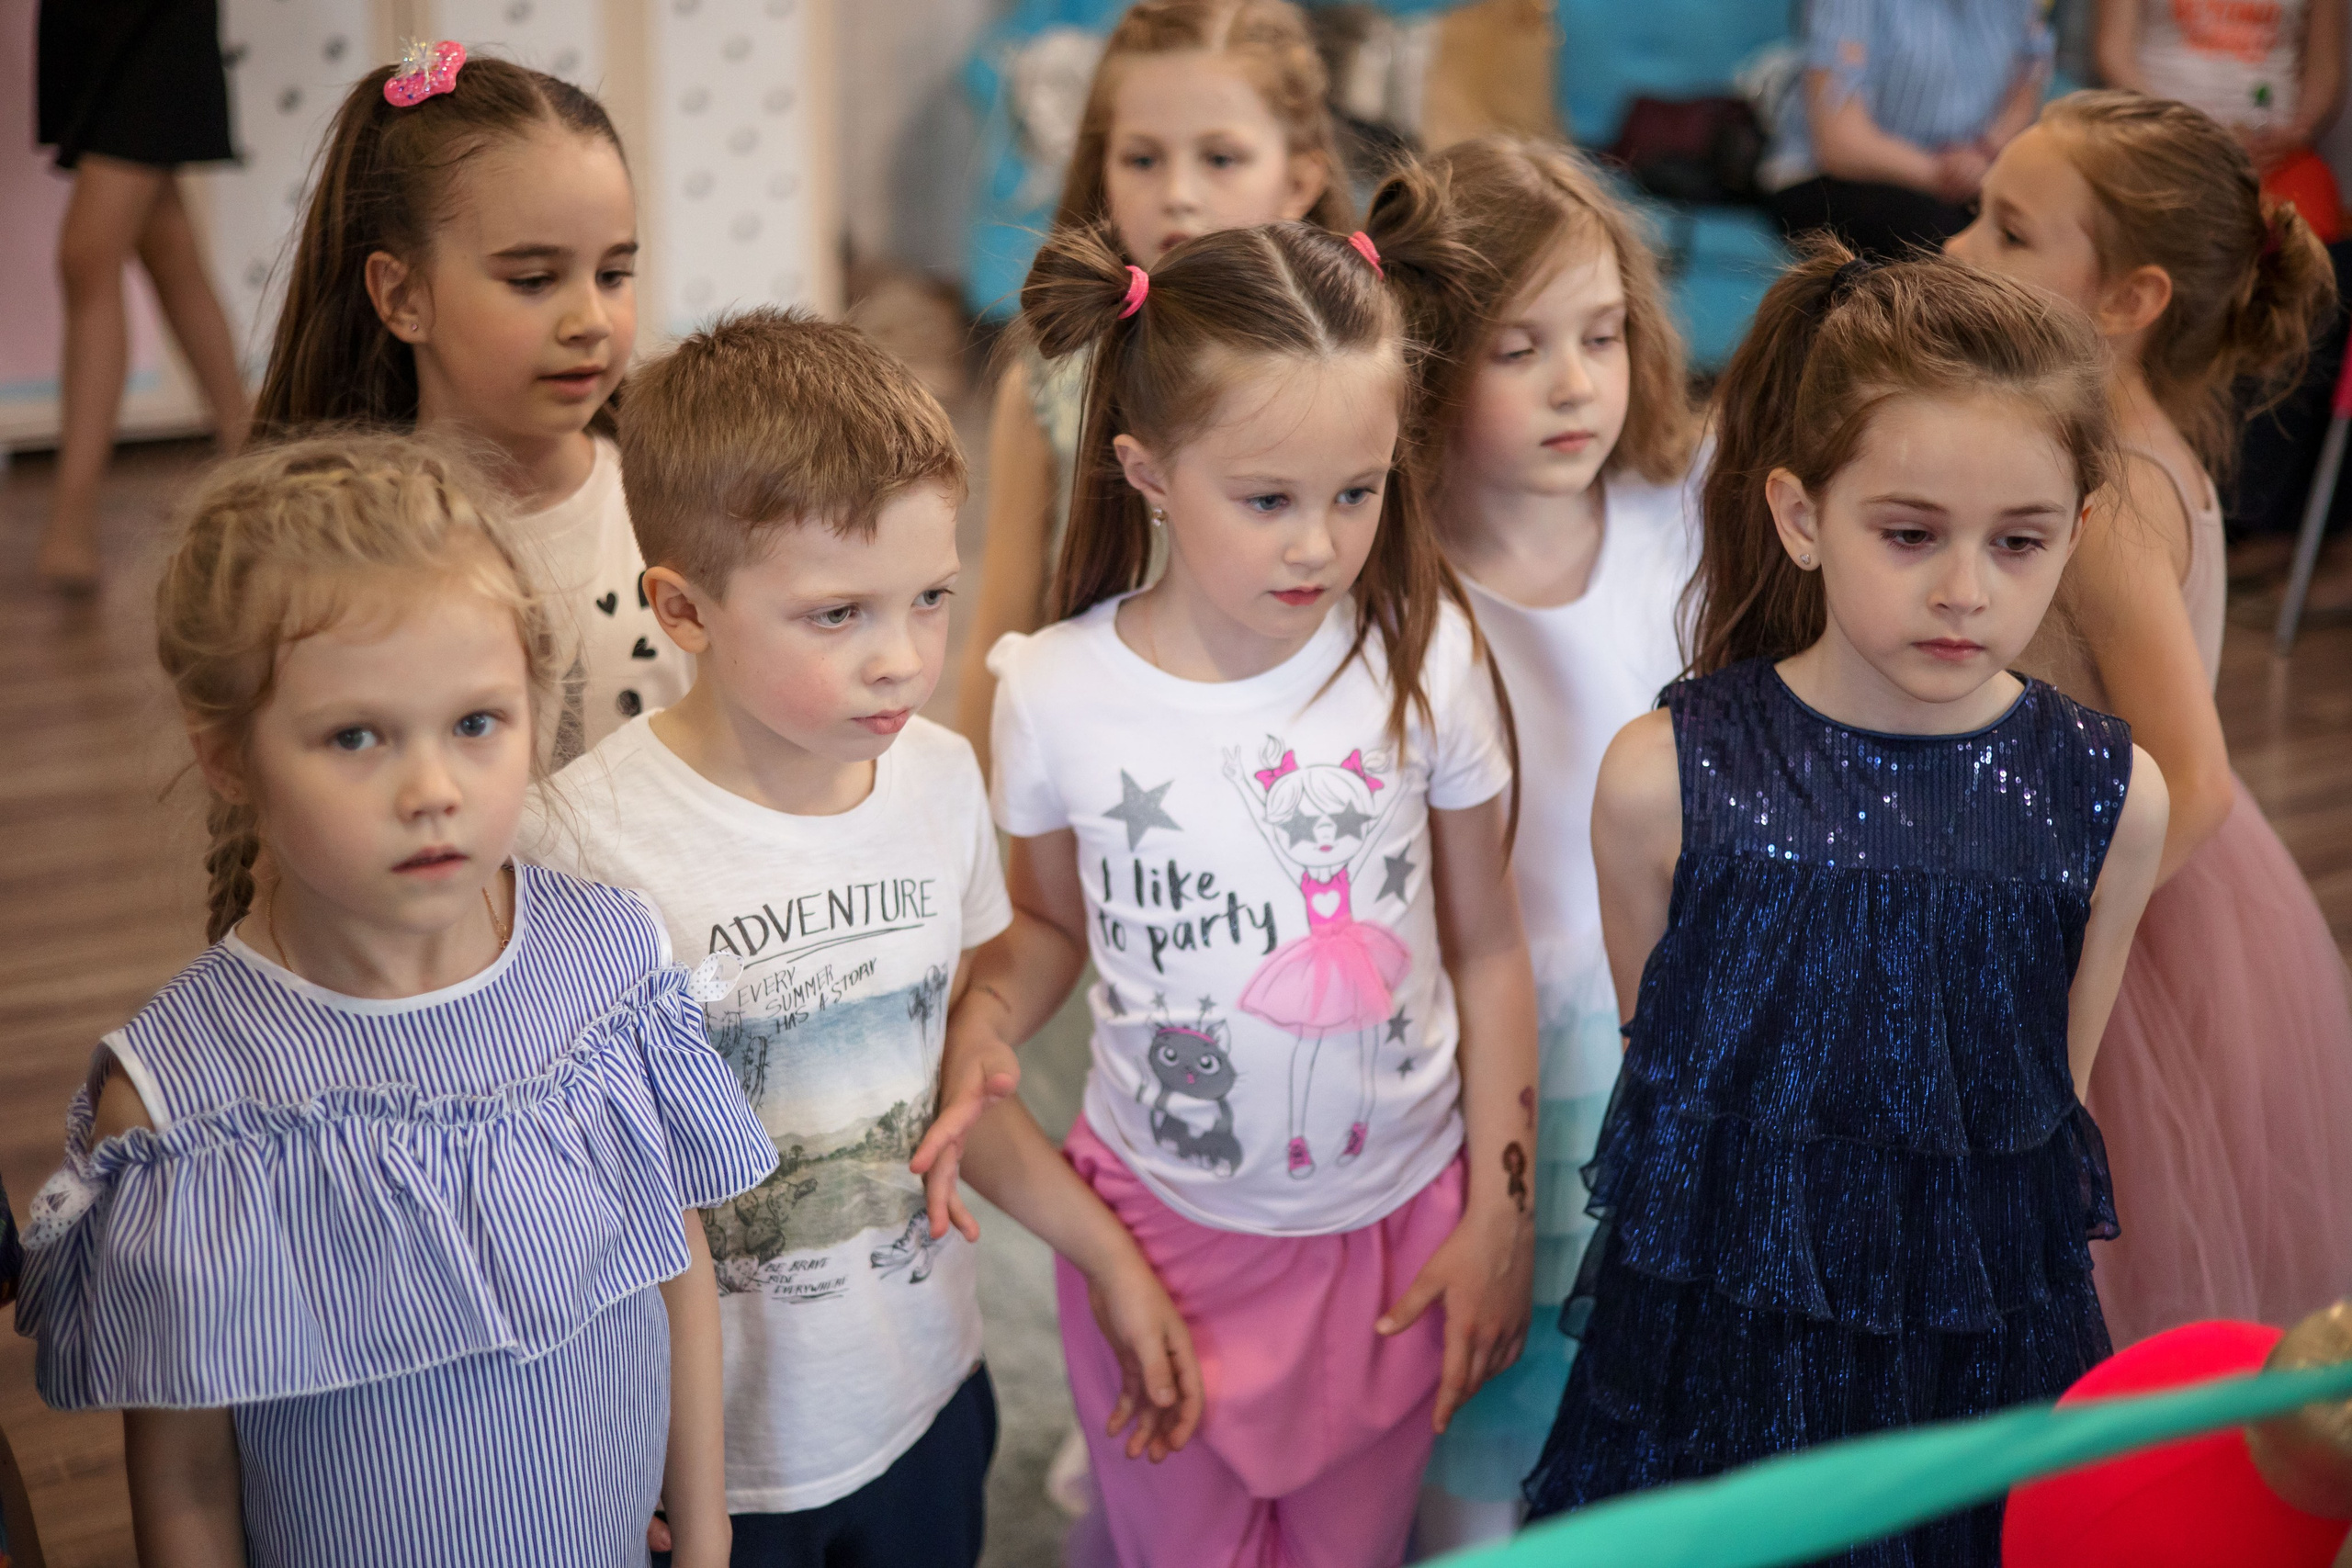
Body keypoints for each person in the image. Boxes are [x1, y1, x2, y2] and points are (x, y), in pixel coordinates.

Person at [13, 434, 777, 1568]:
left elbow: (678, 1269)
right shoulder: (183, 1109)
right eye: (357, 737)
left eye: (475, 724)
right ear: (227, 754)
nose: (432, 791)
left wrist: (707, 1542)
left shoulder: (612, 968)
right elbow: (184, 1472)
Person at [916, 191, 1541, 1568]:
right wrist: (981, 1013)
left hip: (1395, 1231)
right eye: (1266, 499)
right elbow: (1048, 926)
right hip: (1168, 1238)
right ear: (1145, 470)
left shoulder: (1425, 661)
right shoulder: (1058, 693)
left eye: (1356, 491)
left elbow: (1490, 947)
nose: (1317, 545)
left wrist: (1503, 1207)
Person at [1522, 243, 2171, 1562]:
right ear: (1803, 514)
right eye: (1912, 532)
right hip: (1725, 1338)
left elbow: (2051, 1100)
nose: (1966, 588)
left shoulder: (2114, 798)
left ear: (2078, 534)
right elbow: (1677, 1075)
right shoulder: (1666, 782)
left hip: (1967, 1351)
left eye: (2020, 540)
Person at [526, 309, 1202, 1568]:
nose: (902, 659)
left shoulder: (940, 780)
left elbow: (940, 1091)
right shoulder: (580, 843)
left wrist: (1105, 1251)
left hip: (928, 1401)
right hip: (713, 1466)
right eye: (836, 614)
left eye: (930, 597)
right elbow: (566, 1197)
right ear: (683, 606)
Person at [1948, 89, 2352, 1348]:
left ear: (2132, 300)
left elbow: (2198, 773)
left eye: (2011, 232)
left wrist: (2059, 948)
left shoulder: (2109, 490)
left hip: (2116, 919)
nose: (1962, 251)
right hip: (2087, 862)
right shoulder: (2106, 445)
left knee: (2091, 1271)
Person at [1380, 135, 1702, 1553]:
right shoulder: (1390, 568)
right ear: (1429, 369)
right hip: (1484, 1036)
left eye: (1602, 334)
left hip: (1673, 1004)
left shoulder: (1675, 516)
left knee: (1649, 1347)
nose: (1579, 381)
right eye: (1522, 348)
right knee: (1484, 1366)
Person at [252, 45, 689, 768]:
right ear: (402, 296)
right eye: (533, 279)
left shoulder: (674, 504)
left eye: (614, 273)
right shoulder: (345, 555)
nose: (591, 319)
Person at [953, 0, 1352, 778]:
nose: (1177, 193)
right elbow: (1002, 629)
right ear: (1100, 167)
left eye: (1221, 158)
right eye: (1142, 158)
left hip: (1303, 774)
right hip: (1101, 777)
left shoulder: (1356, 366)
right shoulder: (1051, 376)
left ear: (1301, 177)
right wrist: (970, 829)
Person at [33, 0, 251, 592]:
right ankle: (253, 465)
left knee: (87, 255)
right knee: (169, 250)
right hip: (92, 24)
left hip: (153, 19)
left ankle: (72, 523)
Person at [1760, 0, 2053, 260]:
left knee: (2049, 229)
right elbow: (1841, 145)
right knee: (1959, 251)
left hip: (1974, 171)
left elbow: (2029, 78)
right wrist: (1948, 173)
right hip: (1838, 177)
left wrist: (1986, 152)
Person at [2095, 0, 2348, 242]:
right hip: (2162, 140)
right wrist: (2181, 127)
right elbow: (2114, 53)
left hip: (2275, 154)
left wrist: (2296, 132)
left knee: (2308, 239)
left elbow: (2325, 71)